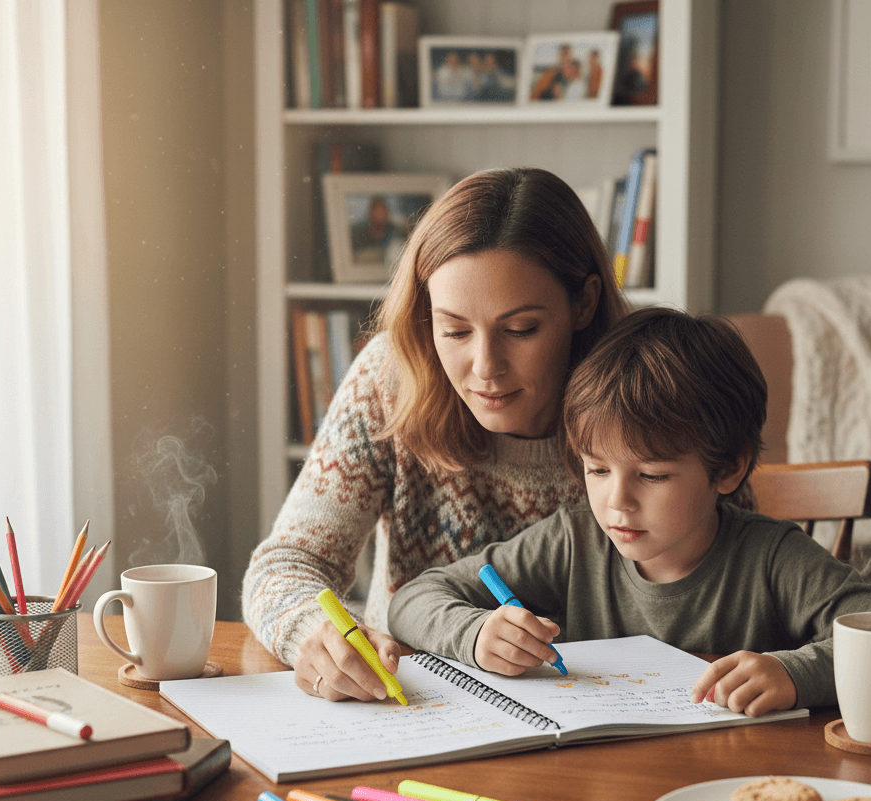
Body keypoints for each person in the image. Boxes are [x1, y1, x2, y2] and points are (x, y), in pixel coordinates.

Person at [387, 307, 871, 716]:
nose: (617, 501)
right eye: (597, 470)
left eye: (653, 475)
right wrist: (474, 634)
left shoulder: (772, 557)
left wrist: (794, 672)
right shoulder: (574, 541)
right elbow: (413, 599)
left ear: (728, 470)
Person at [241, 167, 628, 702]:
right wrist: (312, 631)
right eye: (455, 330)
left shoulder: (645, 392)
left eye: (521, 330)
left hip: (601, 714)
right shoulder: (389, 380)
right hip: (414, 709)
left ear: (583, 303)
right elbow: (286, 564)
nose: (485, 366)